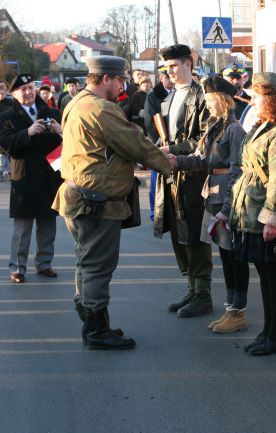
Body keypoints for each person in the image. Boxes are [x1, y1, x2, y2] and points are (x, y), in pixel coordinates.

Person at [51, 56, 172, 350]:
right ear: (106, 79)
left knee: (86, 262)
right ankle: (95, 331)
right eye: (120, 80)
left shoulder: (77, 102)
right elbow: (134, 142)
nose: (123, 86)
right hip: (96, 202)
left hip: (77, 196)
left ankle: (93, 321)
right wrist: (168, 162)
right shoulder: (101, 108)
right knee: (98, 267)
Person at [229, 72, 276, 355]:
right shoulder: (265, 126)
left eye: (257, 97)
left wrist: (273, 218)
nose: (252, 101)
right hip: (251, 209)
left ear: (271, 99)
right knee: (265, 272)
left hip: (266, 211)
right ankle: (267, 331)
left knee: (274, 273)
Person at [169, 75, 250, 334]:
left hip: (226, 199)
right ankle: (230, 309)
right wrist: (175, 160)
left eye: (212, 100)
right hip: (213, 196)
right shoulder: (214, 127)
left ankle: (237, 311)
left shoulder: (235, 130)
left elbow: (238, 171)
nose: (208, 104)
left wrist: (227, 209)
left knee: (234, 257)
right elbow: (201, 159)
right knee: (225, 256)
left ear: (224, 101)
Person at [155, 44, 213, 318]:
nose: (170, 71)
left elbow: (204, 139)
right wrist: (159, 146)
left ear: (188, 64)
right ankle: (191, 288)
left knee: (194, 234)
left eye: (174, 65)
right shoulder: (168, 98)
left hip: (193, 175)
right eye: (167, 67)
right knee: (179, 233)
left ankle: (203, 294)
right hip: (171, 174)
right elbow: (167, 136)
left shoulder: (202, 96)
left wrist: (173, 150)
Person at [0, 74, 63, 284]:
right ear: (14, 94)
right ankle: (17, 268)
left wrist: (60, 131)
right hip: (24, 175)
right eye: (23, 89)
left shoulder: (51, 112)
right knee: (22, 228)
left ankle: (45, 263)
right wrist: (27, 132)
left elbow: (65, 145)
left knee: (48, 223)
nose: (28, 92)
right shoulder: (7, 116)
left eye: (30, 88)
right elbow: (5, 144)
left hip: (49, 175)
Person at [144, 67, 174, 221]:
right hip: (160, 142)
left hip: (175, 143)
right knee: (157, 179)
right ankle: (155, 212)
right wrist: (160, 139)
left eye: (171, 76)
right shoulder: (153, 96)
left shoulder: (178, 93)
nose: (169, 79)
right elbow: (150, 122)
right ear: (161, 78)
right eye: (166, 77)